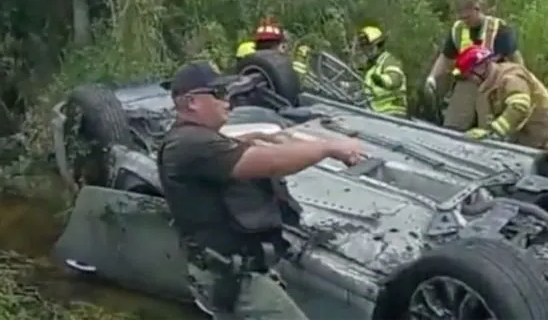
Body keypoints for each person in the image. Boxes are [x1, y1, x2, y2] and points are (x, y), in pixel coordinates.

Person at [157, 61, 365, 319]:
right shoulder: (191, 144)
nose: (228, 101)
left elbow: (221, 147)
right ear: (191, 102)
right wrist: (328, 147)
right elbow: (270, 163)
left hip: (231, 268)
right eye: (218, 94)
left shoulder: (189, 139)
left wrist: (251, 137)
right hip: (233, 276)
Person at [423, 0, 523, 130]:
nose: (465, 21)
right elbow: (446, 58)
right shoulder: (458, 29)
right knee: (453, 123)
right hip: (467, 81)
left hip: (494, 83)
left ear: (477, 10)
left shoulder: (499, 29)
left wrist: (522, 83)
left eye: (468, 17)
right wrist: (432, 77)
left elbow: (515, 59)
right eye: (462, 18)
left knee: (487, 127)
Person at [453, 45, 548, 150]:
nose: (470, 80)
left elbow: (519, 106)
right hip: (528, 143)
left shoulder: (510, 76)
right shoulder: (487, 86)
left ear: (481, 68)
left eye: (469, 75)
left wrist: (493, 133)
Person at [354, 25, 407, 117]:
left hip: (393, 114)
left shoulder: (389, 61)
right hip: (376, 114)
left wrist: (381, 80)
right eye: (363, 46)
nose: (365, 50)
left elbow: (394, 80)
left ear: (378, 45)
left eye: (368, 46)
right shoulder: (371, 66)